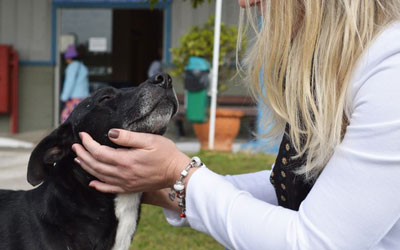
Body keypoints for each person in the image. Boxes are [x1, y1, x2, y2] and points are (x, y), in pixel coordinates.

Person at [72, 0, 400, 249]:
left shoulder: (390, 70)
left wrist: (179, 173)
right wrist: (161, 188)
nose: (242, 3)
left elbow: (315, 242)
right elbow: (287, 188)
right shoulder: (343, 65)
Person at [60, 44, 90, 123]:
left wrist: (64, 97)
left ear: (69, 58)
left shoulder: (71, 67)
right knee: (81, 118)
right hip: (84, 97)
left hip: (74, 98)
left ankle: (69, 135)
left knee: (65, 118)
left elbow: (69, 83)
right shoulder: (83, 67)